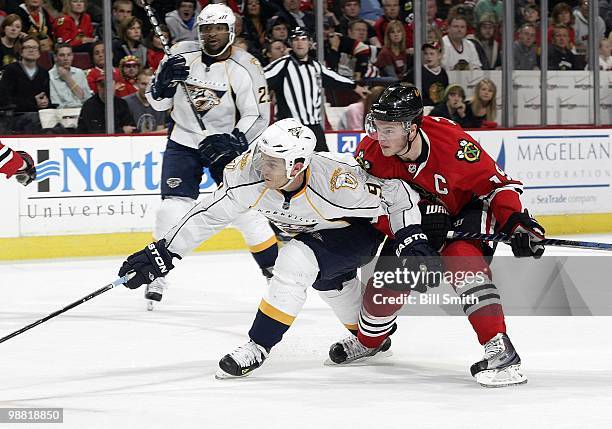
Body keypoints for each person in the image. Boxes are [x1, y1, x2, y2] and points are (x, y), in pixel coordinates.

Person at [117, 117, 438, 379]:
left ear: (297, 165)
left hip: (357, 231)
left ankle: (257, 346)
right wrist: (162, 253)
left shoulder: (338, 182)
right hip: (317, 235)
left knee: (295, 262)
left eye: (272, 163)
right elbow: (207, 216)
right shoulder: (248, 175)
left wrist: (412, 237)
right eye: (261, 157)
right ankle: (372, 339)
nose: (261, 168)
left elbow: (399, 195)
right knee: (328, 281)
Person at [329, 84, 545, 387]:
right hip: (413, 221)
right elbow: (373, 207)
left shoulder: (452, 144)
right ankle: (370, 341)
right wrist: (413, 235)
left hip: (465, 209)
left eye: (389, 129)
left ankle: (500, 348)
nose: (380, 136)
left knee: (461, 260)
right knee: (386, 285)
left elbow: (498, 185)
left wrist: (517, 225)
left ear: (413, 127)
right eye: (377, 126)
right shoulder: (371, 153)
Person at [144, 3, 278, 309]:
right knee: (171, 211)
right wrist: (162, 83)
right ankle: (158, 272)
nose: (211, 34)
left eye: (218, 28)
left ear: (231, 31)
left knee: (246, 212)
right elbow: (158, 104)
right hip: (184, 140)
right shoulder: (179, 52)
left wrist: (235, 141)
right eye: (205, 29)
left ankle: (273, 272)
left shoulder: (247, 67)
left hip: (225, 147)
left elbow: (258, 117)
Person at [264, 26, 369, 151]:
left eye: (303, 39)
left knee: (323, 162)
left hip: (313, 126)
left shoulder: (315, 66)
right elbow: (259, 78)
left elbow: (334, 78)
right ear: (291, 43)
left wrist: (355, 86)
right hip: (290, 127)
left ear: (310, 42)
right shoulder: (282, 64)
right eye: (296, 39)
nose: (299, 42)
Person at [49, 43, 92, 108]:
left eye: (69, 55)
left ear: (72, 56)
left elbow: (86, 98)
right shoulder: (49, 76)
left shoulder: (79, 72)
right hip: (61, 113)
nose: (66, 58)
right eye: (62, 55)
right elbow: (55, 103)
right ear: (55, 57)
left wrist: (68, 79)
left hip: (81, 110)